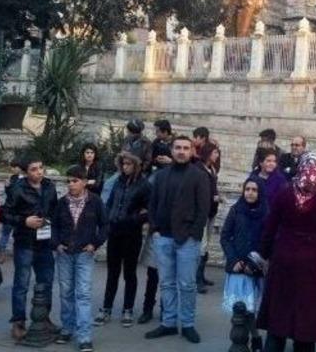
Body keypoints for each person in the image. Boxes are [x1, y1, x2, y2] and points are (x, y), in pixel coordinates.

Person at [257, 156, 316, 352]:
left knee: (278, 318)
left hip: (284, 257)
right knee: (306, 321)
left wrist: (264, 253)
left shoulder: (285, 193)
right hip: (312, 263)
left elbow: (270, 226)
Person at [145, 136, 210, 344]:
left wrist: (194, 234)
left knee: (187, 284)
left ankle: (188, 324)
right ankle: (169, 323)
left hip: (187, 240)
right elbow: (152, 204)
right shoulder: (161, 175)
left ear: (191, 151)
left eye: (185, 148)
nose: (181, 151)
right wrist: (154, 229)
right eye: (178, 148)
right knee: (166, 283)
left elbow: (203, 208)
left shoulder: (199, 176)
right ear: (171, 150)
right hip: (163, 237)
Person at [0, 158, 59, 340]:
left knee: (46, 281)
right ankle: (18, 322)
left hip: (45, 242)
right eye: (34, 169)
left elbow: (55, 211)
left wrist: (52, 225)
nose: (39, 172)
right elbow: (4, 214)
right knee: (22, 284)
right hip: (25, 242)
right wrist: (24, 221)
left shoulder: (49, 186)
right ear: (26, 172)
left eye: (41, 168)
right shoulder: (18, 188)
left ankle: (43, 317)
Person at [52, 165, 108, 352]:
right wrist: (56, 244)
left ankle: (84, 336)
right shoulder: (62, 203)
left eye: (75, 181)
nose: (71, 184)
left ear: (84, 182)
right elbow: (54, 225)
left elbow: (105, 225)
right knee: (66, 292)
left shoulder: (95, 201)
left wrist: (95, 244)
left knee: (83, 294)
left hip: (84, 253)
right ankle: (67, 328)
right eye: (68, 181)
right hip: (65, 253)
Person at [95, 151, 150, 327]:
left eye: (128, 164)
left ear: (135, 165)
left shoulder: (144, 185)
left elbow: (149, 210)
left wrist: (133, 219)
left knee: (129, 273)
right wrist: (107, 218)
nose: (125, 167)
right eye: (123, 164)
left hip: (132, 234)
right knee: (112, 272)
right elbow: (110, 202)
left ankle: (128, 309)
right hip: (115, 231)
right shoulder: (118, 181)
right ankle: (106, 308)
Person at [220, 179, 268, 352]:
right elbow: (225, 237)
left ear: (259, 192)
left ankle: (255, 337)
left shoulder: (266, 213)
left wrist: (254, 263)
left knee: (251, 309)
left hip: (255, 269)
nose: (250, 193)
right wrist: (234, 260)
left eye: (254, 190)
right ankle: (242, 342)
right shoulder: (236, 210)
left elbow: (267, 241)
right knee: (240, 310)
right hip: (237, 268)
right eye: (247, 189)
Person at [196, 142, 221, 295]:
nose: (217, 155)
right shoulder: (199, 169)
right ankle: (197, 279)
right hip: (202, 212)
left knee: (206, 246)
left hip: (211, 211)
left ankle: (201, 276)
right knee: (202, 246)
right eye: (215, 153)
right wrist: (213, 197)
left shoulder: (211, 168)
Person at [0, 158, 27, 263]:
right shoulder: (12, 178)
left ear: (20, 168)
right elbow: (9, 194)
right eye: (12, 167)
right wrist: (7, 187)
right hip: (10, 211)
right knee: (5, 234)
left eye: (15, 167)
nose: (12, 169)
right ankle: (1, 253)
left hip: (18, 212)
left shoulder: (23, 180)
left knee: (17, 234)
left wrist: (8, 187)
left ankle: (16, 253)